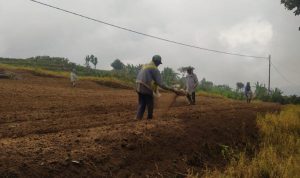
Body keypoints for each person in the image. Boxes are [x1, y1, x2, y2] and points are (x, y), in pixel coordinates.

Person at [135, 55, 179, 120]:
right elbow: (161, 84)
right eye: (159, 63)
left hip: (138, 85)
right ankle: (149, 118)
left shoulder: (145, 65)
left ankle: (138, 118)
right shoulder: (154, 69)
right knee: (150, 103)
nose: (158, 65)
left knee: (142, 103)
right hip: (145, 86)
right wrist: (172, 89)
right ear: (157, 62)